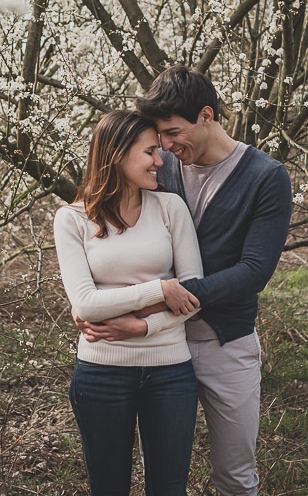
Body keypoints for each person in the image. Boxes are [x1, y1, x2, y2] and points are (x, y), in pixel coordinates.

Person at [80, 66, 292, 496]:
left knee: (234, 476)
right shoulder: (162, 169)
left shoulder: (266, 177)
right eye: (159, 139)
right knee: (159, 475)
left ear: (207, 115)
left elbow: (254, 271)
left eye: (174, 133)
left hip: (223, 342)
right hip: (157, 351)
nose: (167, 148)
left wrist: (156, 306)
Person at [53, 109, 206, 496]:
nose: (161, 160)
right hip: (101, 374)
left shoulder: (171, 208)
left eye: (159, 151)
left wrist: (144, 326)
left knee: (169, 490)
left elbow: (194, 296)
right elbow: (85, 305)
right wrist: (160, 291)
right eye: (150, 152)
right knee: (108, 488)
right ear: (117, 155)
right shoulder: (72, 219)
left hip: (171, 372)